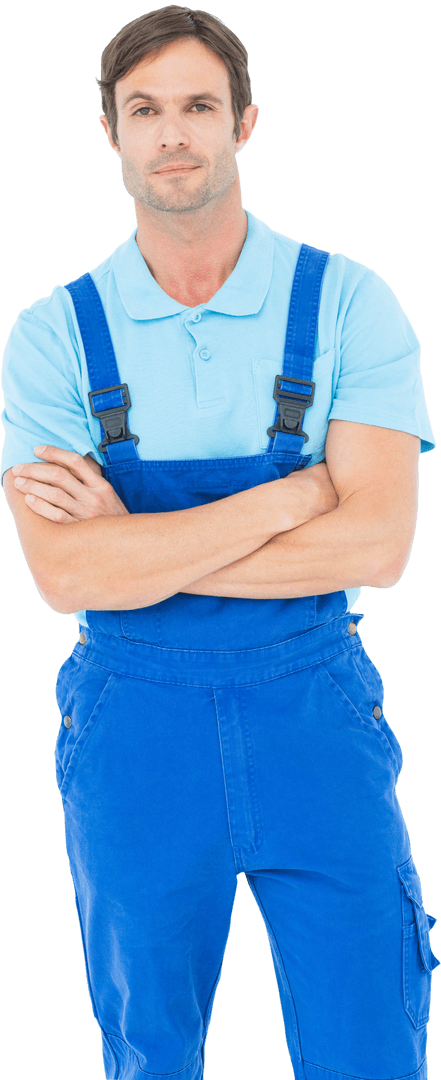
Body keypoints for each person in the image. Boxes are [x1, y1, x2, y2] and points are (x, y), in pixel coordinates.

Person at [1, 6, 439, 1080]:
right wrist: (290, 503)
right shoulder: (55, 333)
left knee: (371, 1045)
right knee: (148, 1055)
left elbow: (379, 546)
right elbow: (64, 573)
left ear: (245, 122)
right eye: (144, 109)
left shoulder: (348, 304)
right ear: (111, 132)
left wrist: (139, 547)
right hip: (133, 734)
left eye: (199, 105)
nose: (174, 133)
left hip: (316, 718)